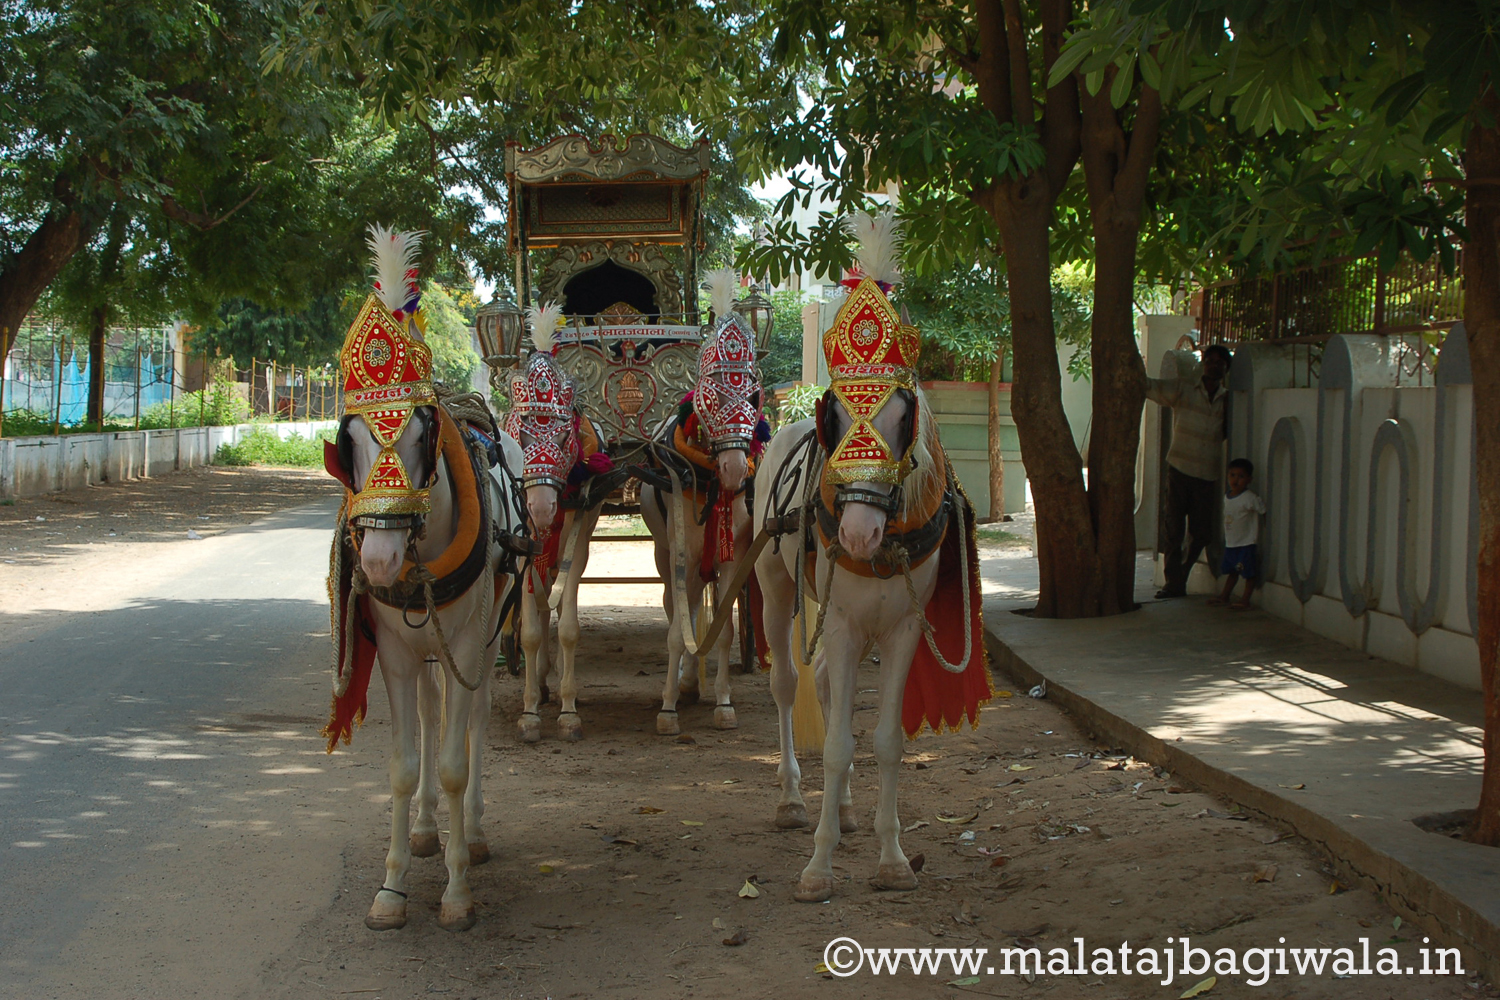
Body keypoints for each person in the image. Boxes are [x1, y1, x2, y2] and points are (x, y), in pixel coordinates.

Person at [1145, 342, 1230, 599]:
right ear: (1203, 364)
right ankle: (1174, 582)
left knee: (1202, 533)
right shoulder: (1184, 390)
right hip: (1180, 469)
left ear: (1226, 368)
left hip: (1207, 473)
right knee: (1173, 529)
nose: (1214, 366)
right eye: (1210, 361)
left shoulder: (1228, 400)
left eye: (1219, 362)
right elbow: (1153, 388)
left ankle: (1181, 573)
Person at [1210, 458, 1265, 609]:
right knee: (1232, 571)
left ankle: (1245, 600)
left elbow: (1263, 511)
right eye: (1232, 475)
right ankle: (1224, 596)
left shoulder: (1250, 498)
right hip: (1231, 543)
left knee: (1248, 572)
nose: (1236, 480)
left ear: (1249, 479)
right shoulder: (1227, 497)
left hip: (1246, 543)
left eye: (1241, 476)